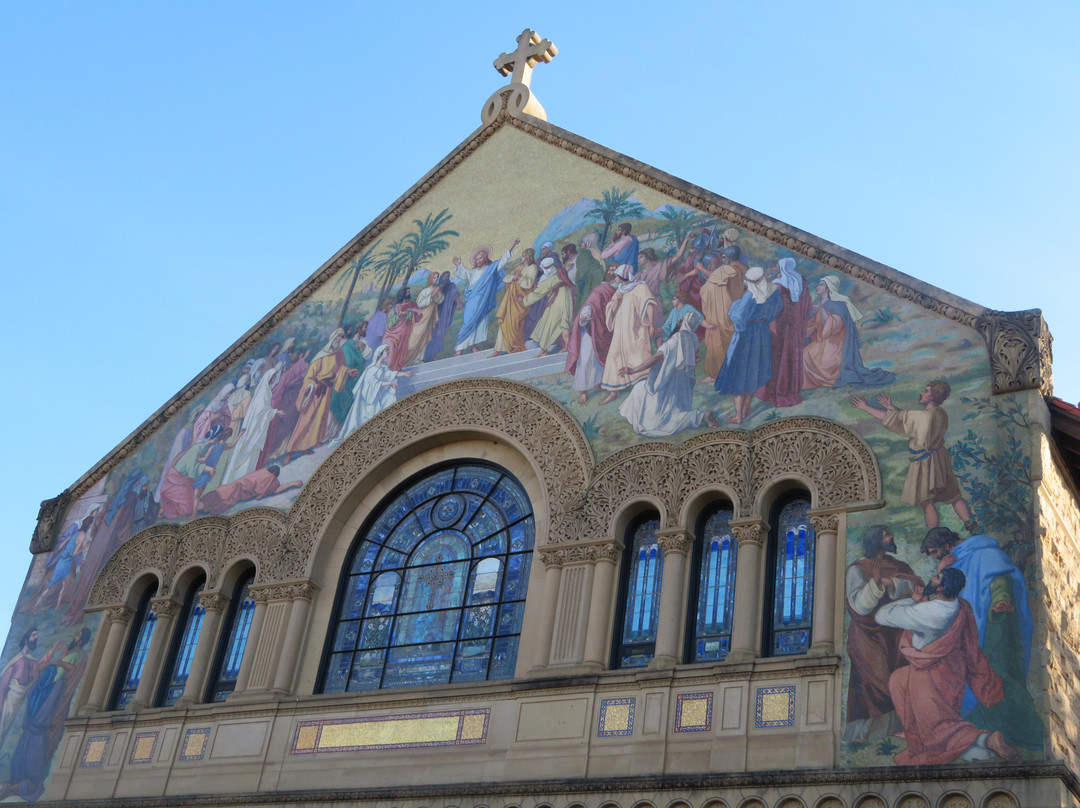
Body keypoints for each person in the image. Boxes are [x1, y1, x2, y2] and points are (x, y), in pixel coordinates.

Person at [874, 568, 1017, 765]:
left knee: (938, 726)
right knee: (898, 680)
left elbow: (882, 615)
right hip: (952, 670)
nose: (931, 578)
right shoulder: (957, 605)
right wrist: (923, 601)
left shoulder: (931, 612)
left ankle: (985, 739)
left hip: (931, 673)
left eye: (937, 577)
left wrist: (914, 601)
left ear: (940, 587)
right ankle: (918, 733)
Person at [921, 527, 1043, 751]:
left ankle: (1026, 731)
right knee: (976, 677)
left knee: (998, 675)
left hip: (995, 625)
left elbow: (1000, 580)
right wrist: (941, 569)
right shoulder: (952, 563)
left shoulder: (985, 553)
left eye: (936, 551)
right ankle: (985, 730)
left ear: (947, 545)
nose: (936, 556)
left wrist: (1000, 600)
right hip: (971, 629)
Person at [851, 380, 974, 530]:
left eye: (926, 391)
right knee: (953, 495)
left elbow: (897, 418)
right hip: (940, 456)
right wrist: (891, 408)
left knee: (926, 501)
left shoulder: (923, 416)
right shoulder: (940, 413)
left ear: (933, 396)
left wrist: (865, 407)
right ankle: (970, 523)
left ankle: (934, 535)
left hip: (924, 461)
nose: (922, 393)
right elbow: (905, 417)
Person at [844, 525, 921, 742]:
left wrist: (893, 584)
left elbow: (916, 585)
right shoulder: (857, 569)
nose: (891, 536)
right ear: (876, 540)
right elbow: (858, 606)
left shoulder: (900, 566)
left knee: (901, 679)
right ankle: (870, 735)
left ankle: (903, 728)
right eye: (887, 534)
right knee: (874, 684)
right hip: (868, 638)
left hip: (896, 635)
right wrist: (876, 584)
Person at [1, 628, 92, 802]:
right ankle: (15, 784)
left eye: (78, 635)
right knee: (32, 727)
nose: (75, 636)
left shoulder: (81, 655)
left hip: (55, 692)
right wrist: (53, 657)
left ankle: (17, 786)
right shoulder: (68, 651)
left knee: (38, 728)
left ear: (81, 640)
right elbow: (40, 668)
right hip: (45, 689)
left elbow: (73, 670)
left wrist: (57, 663)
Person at [618, 310, 719, 436]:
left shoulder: (678, 337)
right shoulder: (694, 339)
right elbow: (670, 352)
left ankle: (702, 416)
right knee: (671, 411)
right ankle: (701, 416)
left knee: (644, 396)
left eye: (681, 320)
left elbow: (658, 357)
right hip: (684, 386)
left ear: (685, 322)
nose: (678, 321)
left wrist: (632, 370)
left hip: (670, 382)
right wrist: (658, 338)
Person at [714, 266, 783, 424]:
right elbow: (776, 311)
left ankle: (738, 416)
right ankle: (745, 410)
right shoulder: (774, 291)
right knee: (753, 371)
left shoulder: (750, 295)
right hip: (762, 333)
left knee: (738, 373)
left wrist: (735, 311)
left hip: (747, 335)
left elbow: (738, 317)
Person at [802, 275, 896, 389]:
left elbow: (830, 330)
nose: (817, 287)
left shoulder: (839, 306)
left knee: (805, 356)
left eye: (821, 284)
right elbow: (811, 327)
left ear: (828, 288)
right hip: (822, 343)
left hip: (835, 347)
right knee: (803, 354)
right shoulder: (820, 306)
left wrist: (822, 310)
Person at [598, 264, 658, 405]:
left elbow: (650, 304)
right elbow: (611, 306)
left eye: (617, 277)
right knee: (614, 357)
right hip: (620, 331)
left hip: (635, 329)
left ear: (623, 277)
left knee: (638, 355)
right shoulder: (620, 290)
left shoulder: (640, 287)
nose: (615, 279)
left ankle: (643, 390)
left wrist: (652, 325)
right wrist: (615, 303)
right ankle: (613, 392)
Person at [756, 257, 811, 407]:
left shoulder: (777, 285)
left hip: (777, 328)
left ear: (782, 268)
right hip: (793, 329)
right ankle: (789, 389)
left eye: (777, 266)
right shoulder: (801, 283)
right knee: (789, 356)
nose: (775, 267)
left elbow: (767, 307)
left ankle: (773, 391)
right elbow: (807, 307)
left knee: (776, 357)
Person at [333, 344, 414, 442]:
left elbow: (391, 374)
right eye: (387, 350)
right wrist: (389, 383)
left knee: (390, 399)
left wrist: (404, 374)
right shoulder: (371, 369)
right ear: (380, 353)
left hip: (376, 397)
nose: (388, 352)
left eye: (388, 350)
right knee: (367, 421)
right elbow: (372, 385)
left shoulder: (383, 367)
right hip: (367, 402)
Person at [453, 239, 520, 354]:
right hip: (472, 301)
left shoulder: (490, 269)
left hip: (483, 302)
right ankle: (459, 348)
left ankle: (473, 346)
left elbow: (502, 261)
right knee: (467, 322)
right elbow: (464, 274)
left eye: (481, 258)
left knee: (478, 323)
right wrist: (459, 265)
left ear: (485, 258)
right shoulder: (472, 272)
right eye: (477, 259)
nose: (479, 260)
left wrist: (512, 246)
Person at [565, 266, 618, 404]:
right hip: (592, 328)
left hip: (607, 330)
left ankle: (598, 383)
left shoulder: (618, 291)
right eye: (610, 269)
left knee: (601, 360)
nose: (611, 272)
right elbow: (589, 305)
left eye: (615, 270)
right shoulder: (599, 290)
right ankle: (584, 391)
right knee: (587, 359)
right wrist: (585, 316)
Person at [221, 366, 282, 485]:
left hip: (257, 428)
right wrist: (275, 412)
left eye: (275, 376)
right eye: (273, 376)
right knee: (247, 454)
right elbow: (260, 410)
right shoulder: (263, 391)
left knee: (251, 457)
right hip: (254, 430)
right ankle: (237, 483)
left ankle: (243, 483)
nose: (275, 378)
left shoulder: (266, 391)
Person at [0, 629, 56, 747]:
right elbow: (3, 687)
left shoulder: (33, 660)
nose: (36, 637)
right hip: (10, 700)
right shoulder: (16, 660)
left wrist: (53, 650)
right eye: (33, 635)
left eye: (37, 635)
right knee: (2, 725)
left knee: (6, 728)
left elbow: (37, 672)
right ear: (26, 640)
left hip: (19, 701)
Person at [699, 248, 747, 383]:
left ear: (731, 258)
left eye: (724, 258)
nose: (722, 261)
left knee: (718, 337)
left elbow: (709, 283)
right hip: (736, 307)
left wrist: (701, 268)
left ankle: (718, 373)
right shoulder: (742, 268)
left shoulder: (726, 270)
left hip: (723, 310)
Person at [197, 465, 304, 515]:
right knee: (221, 499)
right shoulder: (272, 479)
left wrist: (293, 483)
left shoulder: (263, 472)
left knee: (217, 495)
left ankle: (198, 507)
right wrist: (292, 484)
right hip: (239, 490)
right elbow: (276, 490)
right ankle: (200, 507)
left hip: (235, 487)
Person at [522, 256, 576, 353]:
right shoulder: (558, 271)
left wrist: (523, 301)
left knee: (551, 321)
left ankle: (545, 349)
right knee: (563, 321)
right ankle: (565, 345)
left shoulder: (551, 278)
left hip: (560, 298)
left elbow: (538, 293)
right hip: (562, 296)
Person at [492, 248, 538, 355]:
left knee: (515, 325)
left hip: (520, 302)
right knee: (504, 323)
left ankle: (515, 347)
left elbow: (529, 284)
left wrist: (520, 277)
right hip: (511, 300)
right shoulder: (519, 267)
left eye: (522, 256)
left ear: (527, 257)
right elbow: (505, 278)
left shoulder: (532, 268)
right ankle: (498, 349)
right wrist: (514, 277)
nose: (521, 258)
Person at [404, 272, 445, 366]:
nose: (436, 279)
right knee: (417, 336)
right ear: (430, 279)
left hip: (431, 317)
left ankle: (419, 359)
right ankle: (411, 357)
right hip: (422, 317)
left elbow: (440, 300)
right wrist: (432, 295)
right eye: (434, 277)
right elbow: (419, 304)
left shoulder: (436, 289)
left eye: (437, 278)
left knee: (426, 338)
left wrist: (439, 294)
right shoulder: (425, 291)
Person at [423, 271, 462, 362]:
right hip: (436, 313)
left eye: (448, 276)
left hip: (446, 312)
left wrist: (459, 303)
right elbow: (431, 299)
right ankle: (429, 355)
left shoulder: (451, 286)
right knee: (435, 333)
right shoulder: (438, 287)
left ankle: (433, 354)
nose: (446, 278)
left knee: (440, 333)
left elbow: (455, 294)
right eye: (444, 276)